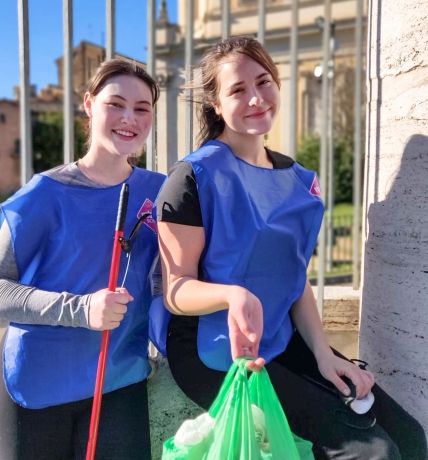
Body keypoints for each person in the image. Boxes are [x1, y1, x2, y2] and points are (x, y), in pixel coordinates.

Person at [153, 37, 426, 460]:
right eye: (238, 90)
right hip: (212, 345)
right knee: (371, 453)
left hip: (282, 335)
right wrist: (232, 295)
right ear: (215, 102)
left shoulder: (300, 181)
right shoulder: (191, 178)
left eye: (264, 82)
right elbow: (177, 289)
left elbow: (293, 279)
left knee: (409, 438)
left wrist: (324, 354)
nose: (256, 98)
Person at [0, 59, 165, 460]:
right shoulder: (46, 192)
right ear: (89, 104)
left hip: (119, 384)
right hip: (36, 390)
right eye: (115, 104)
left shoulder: (161, 192)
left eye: (142, 107)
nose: (129, 118)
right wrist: (83, 309)